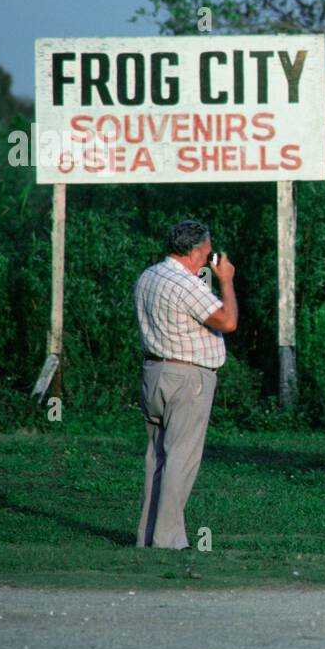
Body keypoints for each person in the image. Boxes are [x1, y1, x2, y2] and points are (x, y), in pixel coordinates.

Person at [133, 220, 238, 549]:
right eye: (207, 250)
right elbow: (228, 321)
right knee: (181, 458)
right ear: (194, 251)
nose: (210, 255)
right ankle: (169, 540)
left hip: (154, 371)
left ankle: (147, 537)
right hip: (187, 377)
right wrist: (226, 281)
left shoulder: (148, 276)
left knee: (157, 458)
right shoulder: (186, 284)